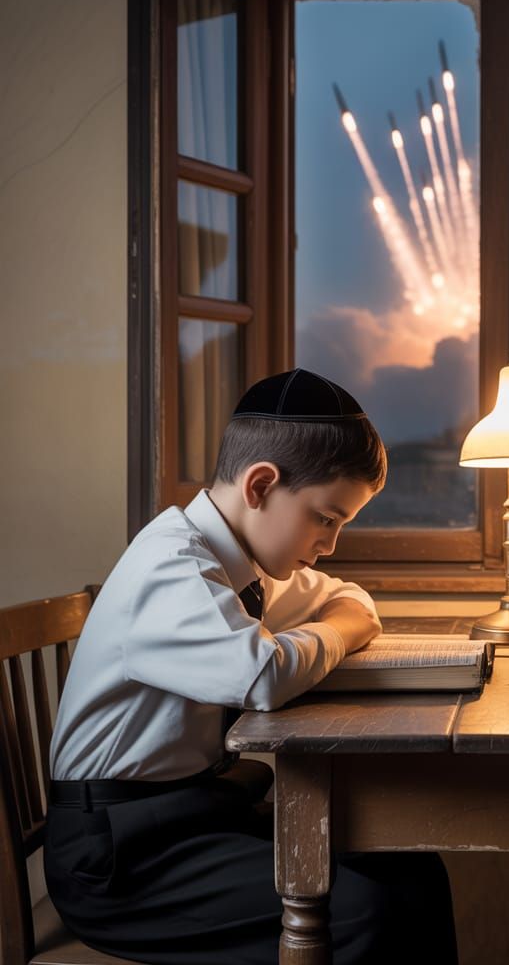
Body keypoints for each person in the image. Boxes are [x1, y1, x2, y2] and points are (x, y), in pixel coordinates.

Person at [45, 368, 458, 965]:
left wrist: (334, 626)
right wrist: (338, 631)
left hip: (194, 818)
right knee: (365, 910)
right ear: (261, 485)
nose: (331, 543)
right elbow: (262, 676)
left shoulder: (242, 564)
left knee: (412, 871)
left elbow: (351, 599)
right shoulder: (171, 566)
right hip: (123, 859)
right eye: (327, 518)